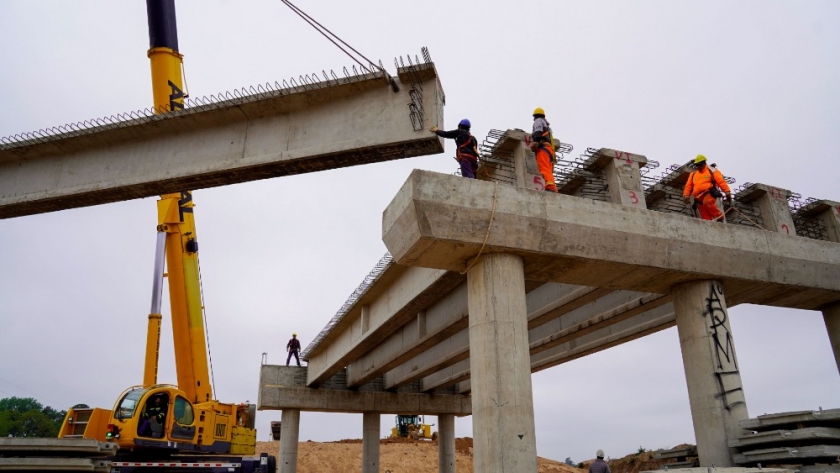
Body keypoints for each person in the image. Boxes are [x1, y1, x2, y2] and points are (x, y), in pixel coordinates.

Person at [682, 154, 732, 221]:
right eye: (697, 165)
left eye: (700, 165)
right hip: (698, 197)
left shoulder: (712, 171)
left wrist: (727, 192)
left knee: (707, 202)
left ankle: (719, 216)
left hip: (709, 192)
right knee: (703, 212)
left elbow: (721, 182)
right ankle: (708, 224)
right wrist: (686, 195)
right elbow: (688, 185)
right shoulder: (693, 174)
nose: (698, 167)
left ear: (704, 163)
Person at [530, 107, 557, 192]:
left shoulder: (538, 121)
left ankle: (550, 186)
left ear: (535, 116)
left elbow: (538, 132)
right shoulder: (547, 126)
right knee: (548, 169)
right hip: (549, 149)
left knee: (544, 168)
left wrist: (536, 142)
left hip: (543, 148)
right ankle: (553, 187)